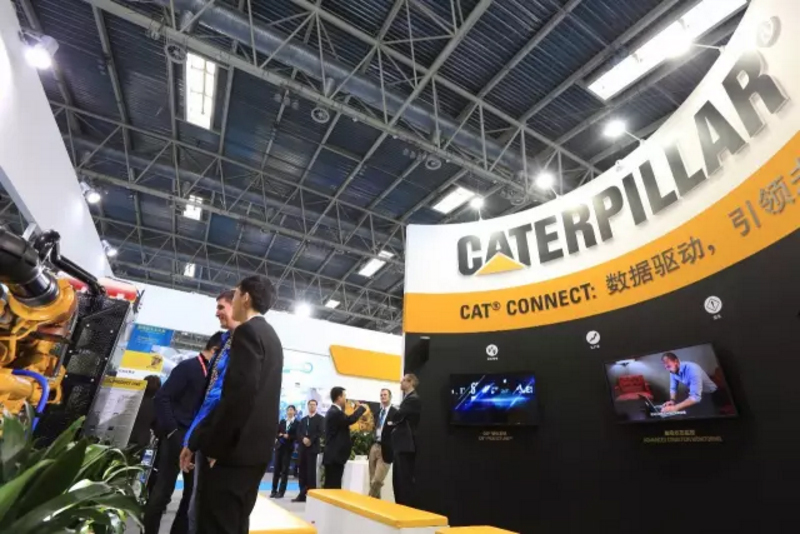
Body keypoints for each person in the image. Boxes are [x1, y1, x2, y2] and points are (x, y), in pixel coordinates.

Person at [180, 276, 283, 534]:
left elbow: (239, 396)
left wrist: (216, 448)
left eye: (235, 294)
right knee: (235, 524)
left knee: (215, 524)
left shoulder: (247, 332)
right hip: (255, 454)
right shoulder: (272, 337)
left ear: (245, 297)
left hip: (232, 455)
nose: (233, 299)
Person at [143, 333, 222, 534]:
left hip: (197, 441)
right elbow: (162, 398)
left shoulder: (213, 376)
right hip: (177, 437)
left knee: (191, 497)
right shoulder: (188, 367)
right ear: (215, 350)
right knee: (162, 493)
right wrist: (172, 431)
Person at [183, 290, 240, 534]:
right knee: (196, 509)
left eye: (221, 307)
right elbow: (210, 397)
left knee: (209, 513)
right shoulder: (226, 342)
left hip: (218, 441)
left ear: (237, 306)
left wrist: (218, 443)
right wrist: (191, 439)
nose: (216, 313)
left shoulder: (243, 344)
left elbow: (230, 400)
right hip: (206, 435)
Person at [323, 387, 366, 489]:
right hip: (334, 457)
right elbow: (350, 420)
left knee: (332, 485)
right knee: (333, 486)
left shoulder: (334, 411)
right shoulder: (335, 412)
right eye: (344, 396)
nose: (346, 399)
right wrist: (361, 408)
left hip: (333, 456)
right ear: (339, 397)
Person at [389, 374, 421, 506]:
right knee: (398, 479)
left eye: (403, 381)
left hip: (406, 444)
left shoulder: (413, 400)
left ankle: (404, 507)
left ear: (411, 382)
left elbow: (397, 415)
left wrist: (394, 413)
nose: (401, 383)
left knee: (403, 479)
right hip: (402, 444)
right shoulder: (408, 399)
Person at [660, 352, 720, 417]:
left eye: (668, 366)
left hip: (711, 393)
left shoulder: (693, 369)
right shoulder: (672, 371)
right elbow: (673, 388)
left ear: (676, 361)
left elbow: (696, 397)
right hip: (697, 392)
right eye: (665, 368)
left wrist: (675, 408)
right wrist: (672, 400)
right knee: (682, 409)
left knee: (689, 413)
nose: (667, 370)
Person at [293, 399, 324, 503]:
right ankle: (302, 494)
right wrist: (303, 439)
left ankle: (311, 495)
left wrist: (310, 440)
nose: (312, 406)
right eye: (310, 405)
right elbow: (298, 432)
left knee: (311, 473)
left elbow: (320, 432)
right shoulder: (303, 420)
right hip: (303, 449)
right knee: (302, 472)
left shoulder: (320, 419)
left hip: (312, 448)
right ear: (307, 406)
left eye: (314, 405)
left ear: (316, 406)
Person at [368, 388, 397, 499]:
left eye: (385, 395)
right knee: (372, 479)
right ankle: (375, 505)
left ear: (390, 397)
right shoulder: (377, 413)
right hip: (374, 446)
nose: (383, 397)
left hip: (386, 449)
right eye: (381, 395)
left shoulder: (395, 413)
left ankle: (368, 500)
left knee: (377, 480)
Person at [270, 405, 298, 498]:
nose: (290, 411)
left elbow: (297, 436)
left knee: (284, 470)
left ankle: (281, 492)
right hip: (279, 447)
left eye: (291, 410)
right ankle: (273, 490)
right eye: (288, 410)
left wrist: (289, 437)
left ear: (294, 412)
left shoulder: (297, 423)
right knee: (276, 469)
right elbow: (276, 433)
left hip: (288, 448)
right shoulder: (282, 421)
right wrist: (280, 435)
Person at [129, 375, 162, 449]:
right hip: (141, 442)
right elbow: (158, 429)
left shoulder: (131, 400)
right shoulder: (155, 406)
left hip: (123, 437)